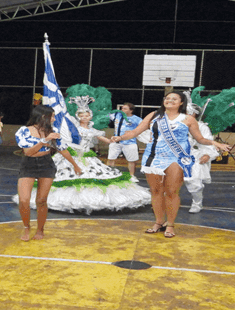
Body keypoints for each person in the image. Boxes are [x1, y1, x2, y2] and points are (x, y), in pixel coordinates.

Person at [111, 92, 231, 238]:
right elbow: (136, 131)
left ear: (181, 103)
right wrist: (120, 137)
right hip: (153, 156)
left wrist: (214, 143)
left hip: (177, 157)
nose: (170, 100)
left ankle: (171, 224)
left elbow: (200, 138)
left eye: (174, 98)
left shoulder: (188, 119)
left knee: (172, 191)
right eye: (167, 98)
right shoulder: (154, 115)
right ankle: (159, 222)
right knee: (155, 191)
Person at [21, 103, 151, 214]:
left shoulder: (93, 130)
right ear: (78, 117)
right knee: (68, 177)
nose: (84, 117)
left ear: (90, 116)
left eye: (86, 115)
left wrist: (115, 139)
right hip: (73, 155)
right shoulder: (74, 129)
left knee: (93, 177)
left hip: (88, 156)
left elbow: (105, 140)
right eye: (82, 116)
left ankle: (91, 200)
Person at [15, 105, 83, 241]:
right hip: (28, 165)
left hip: (46, 164)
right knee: (23, 200)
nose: (53, 119)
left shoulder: (53, 131)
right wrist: (45, 140)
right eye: (51, 116)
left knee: (41, 200)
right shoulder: (24, 131)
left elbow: (62, 149)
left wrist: (75, 165)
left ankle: (40, 230)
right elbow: (28, 152)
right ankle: (26, 227)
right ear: (43, 117)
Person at [185, 103, 218, 213]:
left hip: (195, 156)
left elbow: (208, 141)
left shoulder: (202, 127)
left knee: (194, 181)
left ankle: (197, 203)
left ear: (193, 114)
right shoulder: (176, 124)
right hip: (176, 156)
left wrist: (208, 154)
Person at [107, 102, 143, 182]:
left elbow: (144, 128)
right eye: (122, 108)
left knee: (132, 161)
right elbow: (104, 115)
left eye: (125, 108)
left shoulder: (137, 119)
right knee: (111, 158)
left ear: (131, 111)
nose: (122, 110)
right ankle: (109, 173)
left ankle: (132, 176)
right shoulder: (117, 115)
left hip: (130, 143)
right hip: (115, 142)